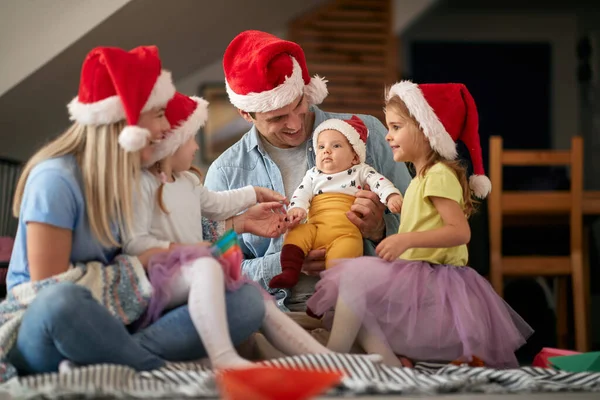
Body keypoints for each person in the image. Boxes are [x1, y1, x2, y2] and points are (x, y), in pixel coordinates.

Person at [3, 46, 266, 376]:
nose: (163, 128)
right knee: (61, 301)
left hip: (120, 318)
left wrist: (238, 223)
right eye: (157, 115)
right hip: (45, 329)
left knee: (245, 301)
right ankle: (157, 370)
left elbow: (173, 232)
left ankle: (113, 359)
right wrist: (142, 262)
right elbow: (47, 290)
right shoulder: (55, 180)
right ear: (125, 124)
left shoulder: (128, 180)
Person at [306, 81, 534, 368]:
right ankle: (383, 363)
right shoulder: (421, 177)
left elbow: (460, 232)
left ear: (427, 131)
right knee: (357, 304)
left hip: (435, 280)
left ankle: (332, 359)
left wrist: (405, 240)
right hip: (416, 273)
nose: (388, 136)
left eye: (396, 127)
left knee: (354, 284)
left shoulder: (438, 175)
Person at [204, 30, 413, 311]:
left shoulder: (368, 134)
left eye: (300, 105)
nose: (294, 124)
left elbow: (424, 227)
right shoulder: (226, 172)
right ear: (245, 114)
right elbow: (214, 271)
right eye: (277, 118)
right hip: (278, 315)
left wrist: (380, 231)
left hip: (369, 308)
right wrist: (283, 262)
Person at [123, 92, 332, 369]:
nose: (196, 148)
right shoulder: (144, 186)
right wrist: (183, 251)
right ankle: (223, 357)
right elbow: (134, 244)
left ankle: (324, 359)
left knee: (259, 299)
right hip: (161, 279)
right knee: (208, 267)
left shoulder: (188, 182)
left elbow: (220, 204)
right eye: (189, 140)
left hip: (192, 273)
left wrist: (253, 194)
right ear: (169, 145)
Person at [269, 115, 402, 289]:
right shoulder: (313, 174)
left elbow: (380, 183)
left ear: (354, 156)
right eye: (321, 147)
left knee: (345, 253)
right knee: (296, 234)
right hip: (315, 228)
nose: (326, 151)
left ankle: (328, 294)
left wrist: (391, 196)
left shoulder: (360, 170)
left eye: (336, 145)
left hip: (345, 233)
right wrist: (297, 209)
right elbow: (301, 193)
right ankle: (289, 271)